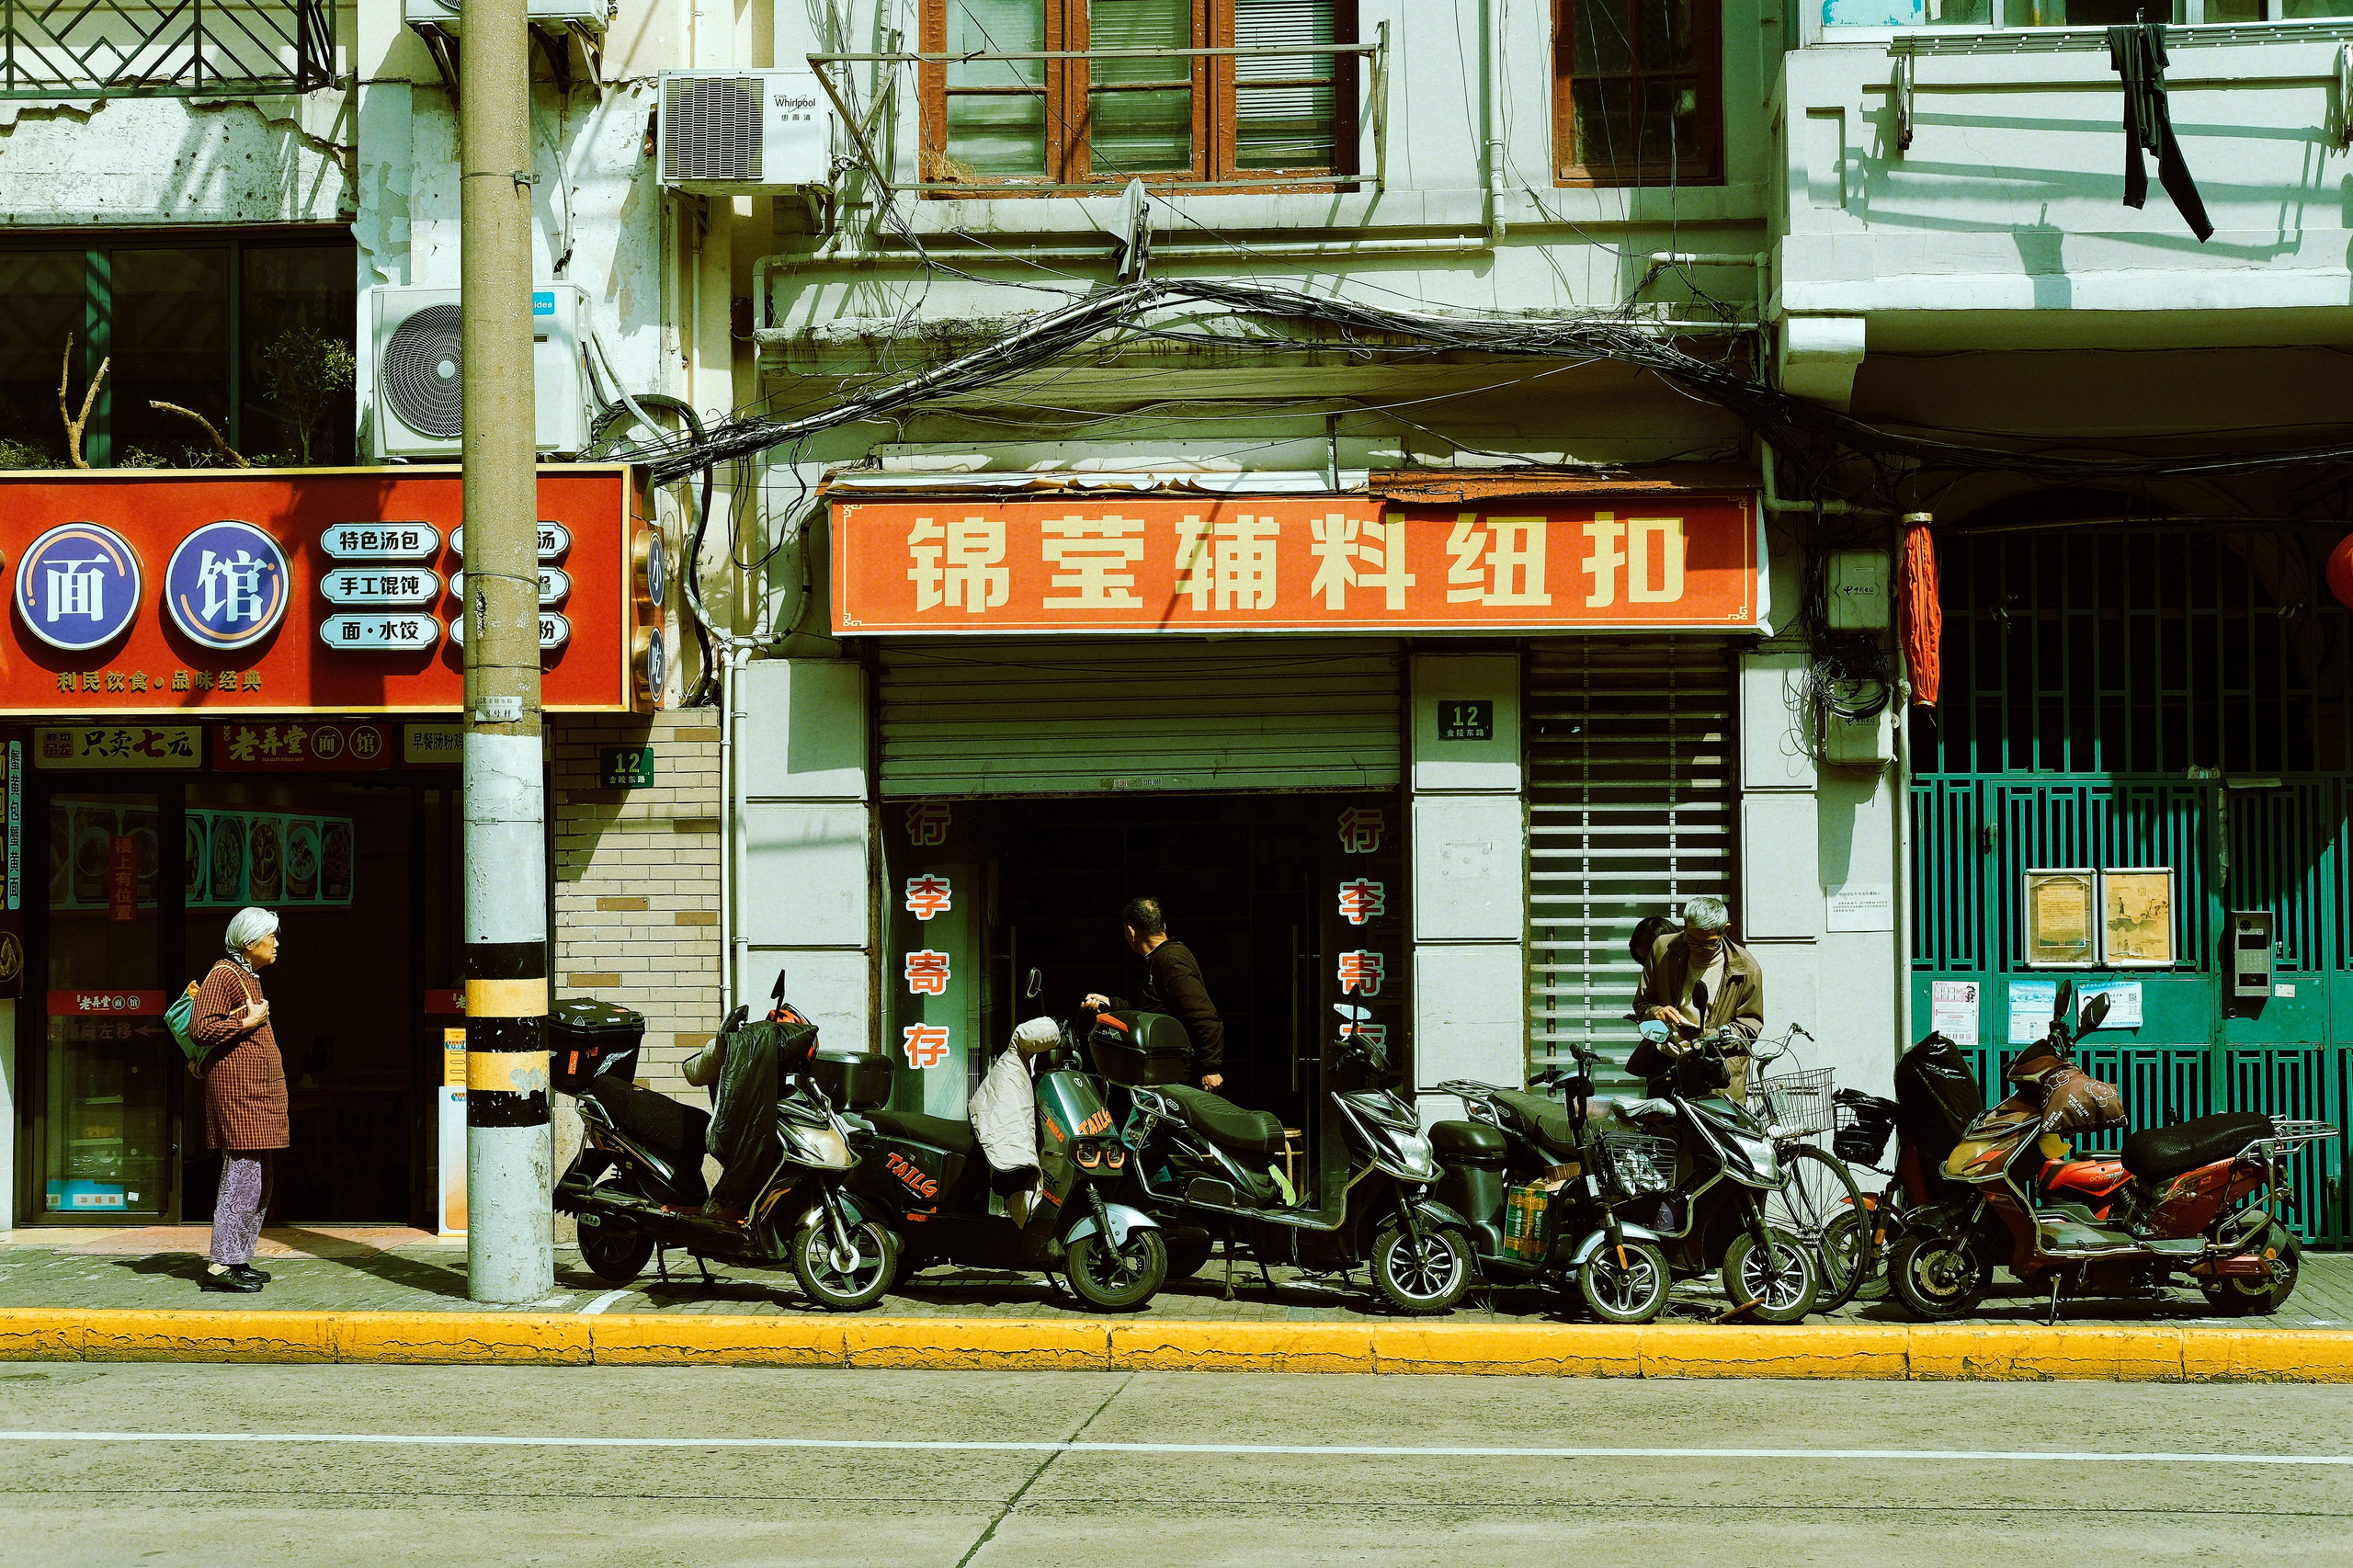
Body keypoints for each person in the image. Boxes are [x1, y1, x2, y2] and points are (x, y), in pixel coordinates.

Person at [191, 907, 288, 1293]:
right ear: (249, 942)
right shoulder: (224, 974)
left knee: (258, 1178)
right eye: (271, 937)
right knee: (242, 1175)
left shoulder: (248, 976)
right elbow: (201, 1028)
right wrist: (247, 1023)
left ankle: (237, 1258)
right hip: (239, 1094)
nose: (276, 943)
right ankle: (219, 1266)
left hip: (256, 1093)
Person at [1083, 896, 1227, 1092]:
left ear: (1131, 932)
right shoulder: (1158, 959)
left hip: (1179, 1076)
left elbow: (1205, 1016)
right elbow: (1150, 1010)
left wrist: (1211, 1068)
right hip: (1161, 1074)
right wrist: (1111, 1003)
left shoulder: (1171, 960)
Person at [1630, 896, 1765, 1099]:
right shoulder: (1663, 949)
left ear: (1725, 930)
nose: (1698, 948)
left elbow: (1749, 1028)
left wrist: (1707, 1036)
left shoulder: (1746, 968)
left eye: (1708, 942)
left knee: (1711, 1121)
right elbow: (1642, 1003)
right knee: (1661, 1120)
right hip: (1667, 1063)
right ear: (1685, 927)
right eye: (1692, 939)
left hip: (1717, 1072)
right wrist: (1656, 1013)